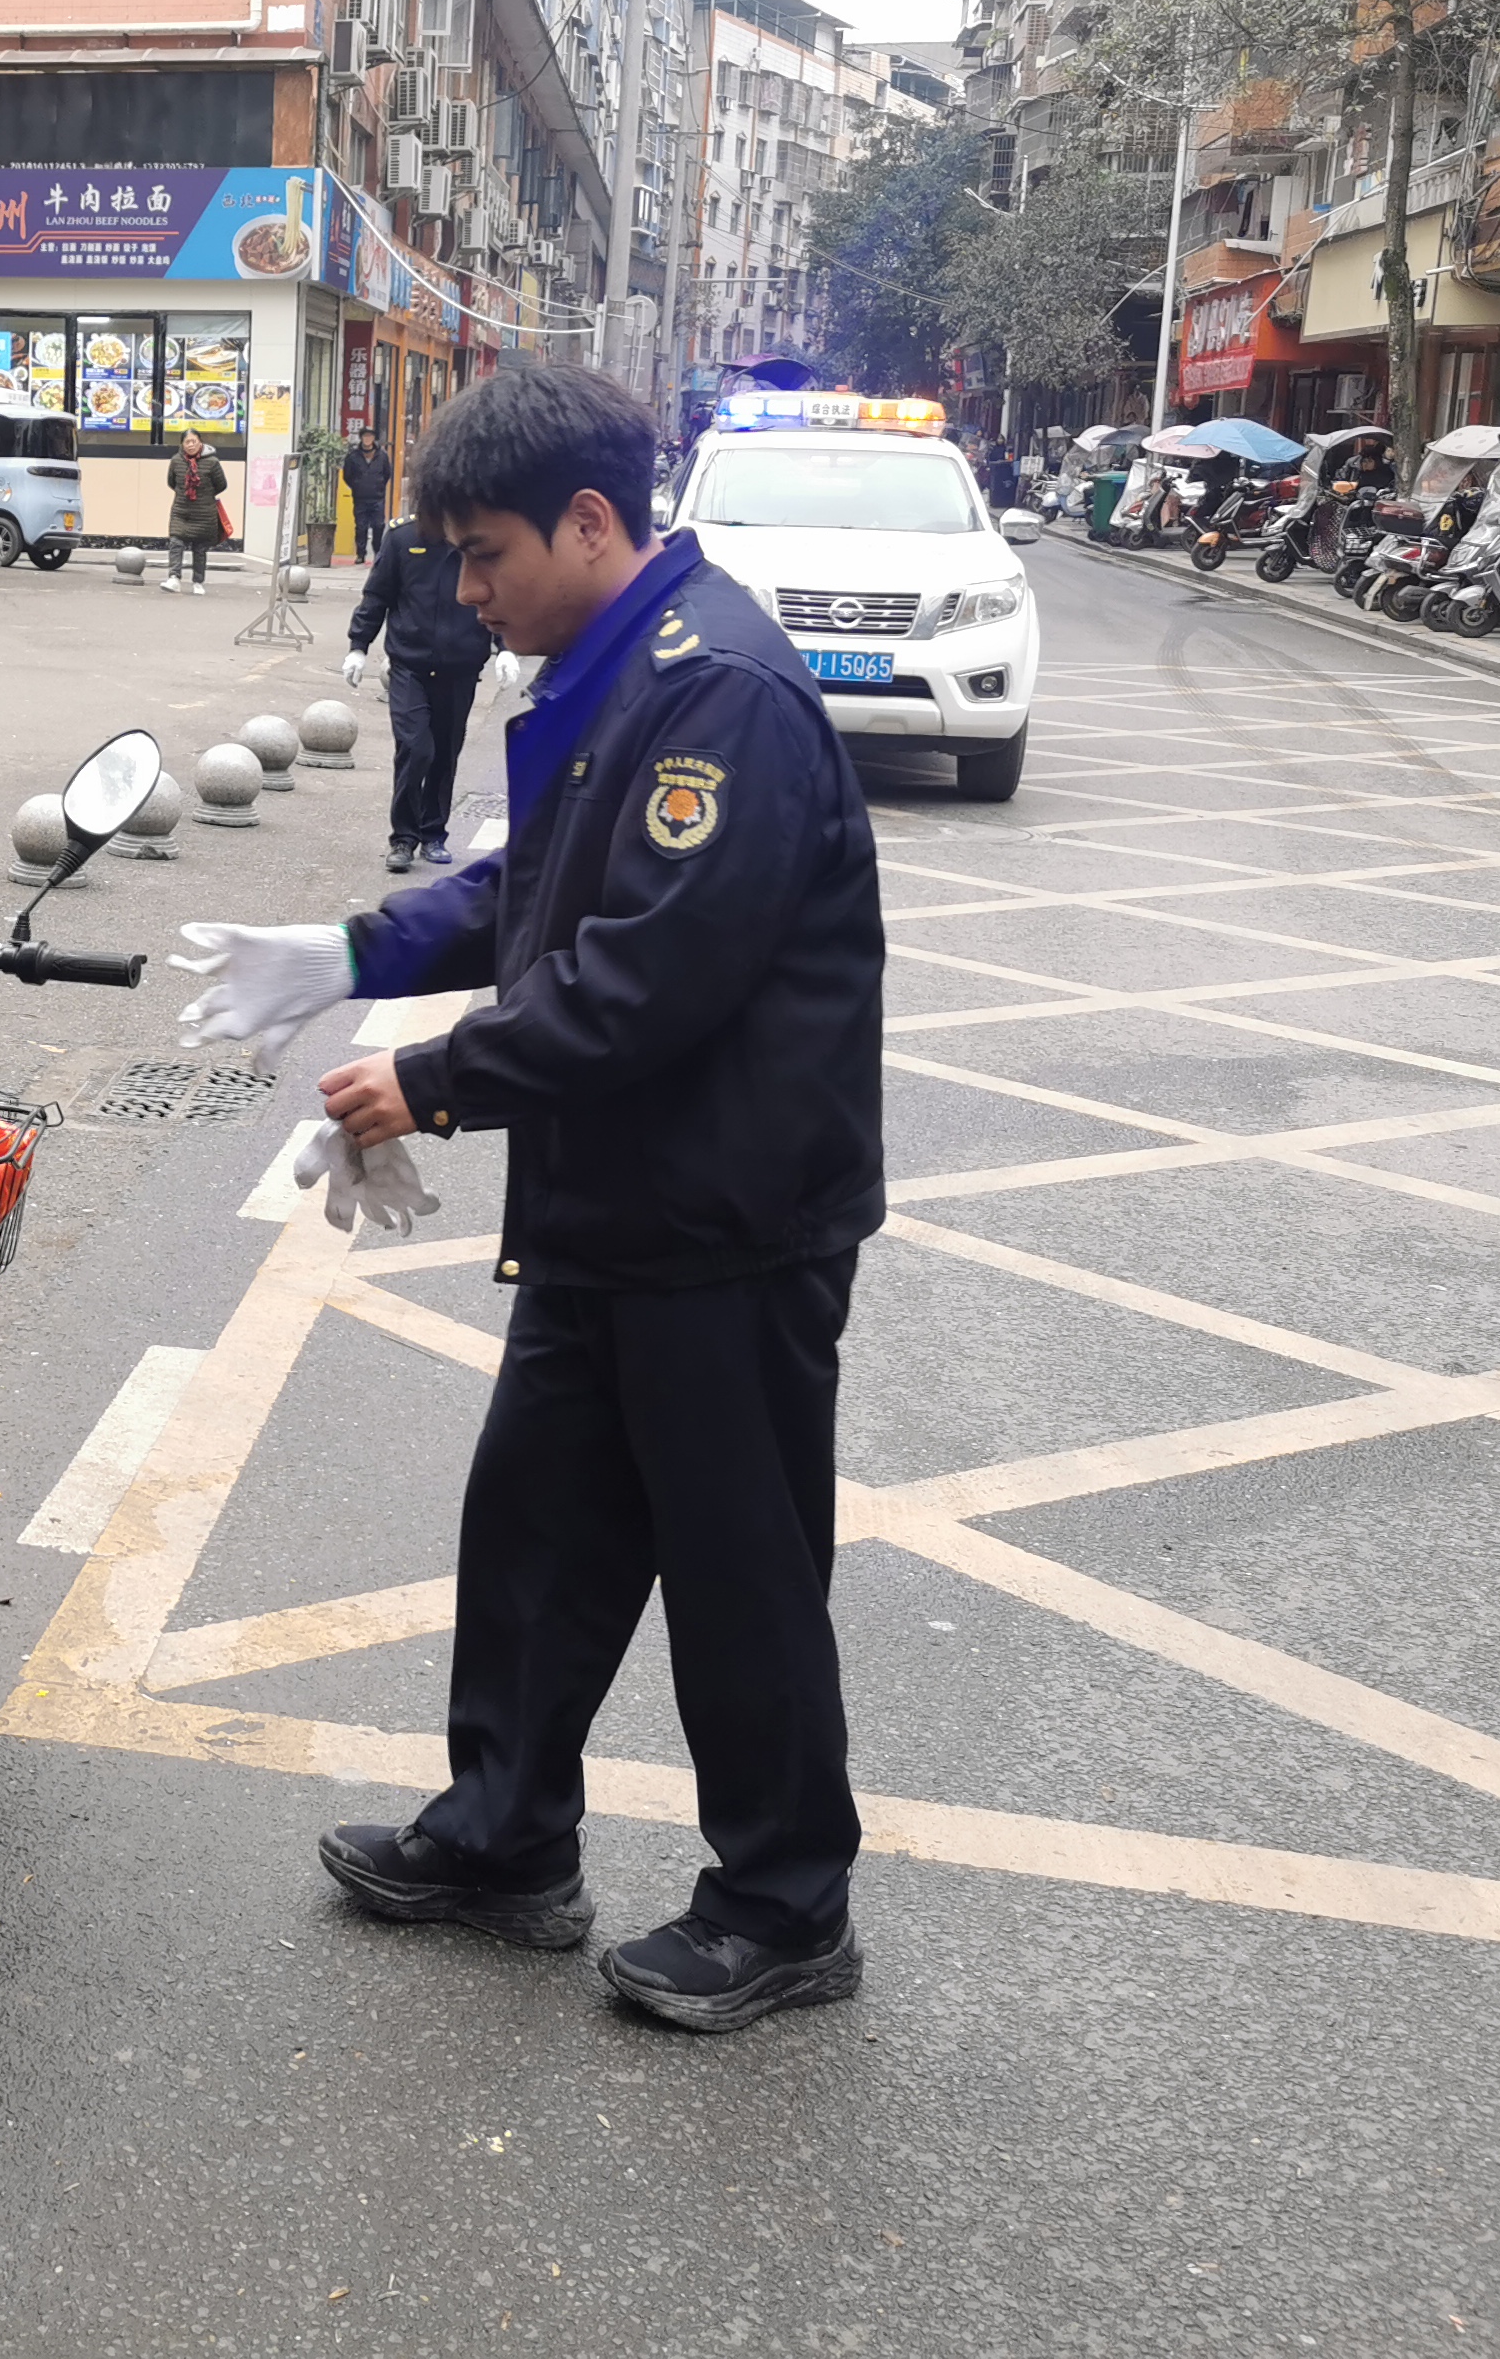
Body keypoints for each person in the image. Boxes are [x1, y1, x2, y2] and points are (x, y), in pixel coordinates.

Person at [170, 361, 885, 2037]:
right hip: (609, 1207)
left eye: (486, 555)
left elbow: (651, 974)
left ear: (588, 523)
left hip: (725, 1219)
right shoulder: (615, 667)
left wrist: (427, 1079)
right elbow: (533, 890)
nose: (469, 592)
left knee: (738, 1569)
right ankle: (504, 1840)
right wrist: (356, 949)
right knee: (536, 1535)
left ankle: (786, 1905)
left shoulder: (719, 692)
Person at [344, 509, 496, 872]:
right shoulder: (403, 537)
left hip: (460, 666)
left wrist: (504, 648)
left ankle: (433, 834)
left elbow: (498, 593)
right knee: (415, 747)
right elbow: (377, 595)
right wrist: (358, 646)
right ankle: (403, 837)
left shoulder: (481, 535)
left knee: (445, 752)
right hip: (410, 664)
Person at [162, 430, 229, 593]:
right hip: (181, 510)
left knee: (199, 548)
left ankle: (198, 582)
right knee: (176, 542)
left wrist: (204, 494)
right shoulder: (176, 461)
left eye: (194, 441)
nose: (191, 445)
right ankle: (174, 578)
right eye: (187, 442)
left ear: (200, 442)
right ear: (182, 444)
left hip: (204, 512)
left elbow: (221, 485)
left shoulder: (212, 462)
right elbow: (172, 482)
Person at [341, 429, 392, 558]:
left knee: (378, 525)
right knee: (361, 526)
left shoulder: (382, 455)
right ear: (361, 438)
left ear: (374, 438)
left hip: (377, 497)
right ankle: (360, 554)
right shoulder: (353, 456)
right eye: (365, 436)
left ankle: (377, 551)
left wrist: (379, 485)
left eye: (370, 436)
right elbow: (347, 475)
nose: (367, 439)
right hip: (360, 497)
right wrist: (356, 486)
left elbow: (387, 473)